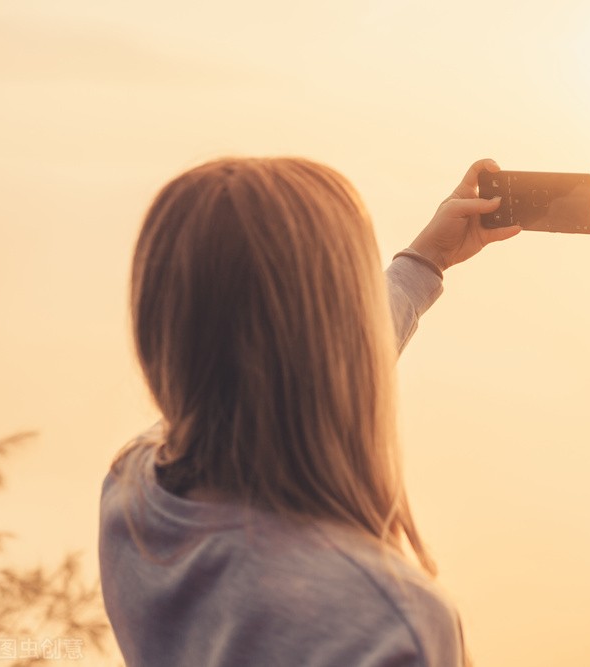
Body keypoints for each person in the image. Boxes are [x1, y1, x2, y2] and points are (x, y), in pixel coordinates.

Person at [98, 157, 521, 667]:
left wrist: (424, 263)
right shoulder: (386, 622)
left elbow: (276, 375)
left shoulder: (133, 494)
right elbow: (324, 364)